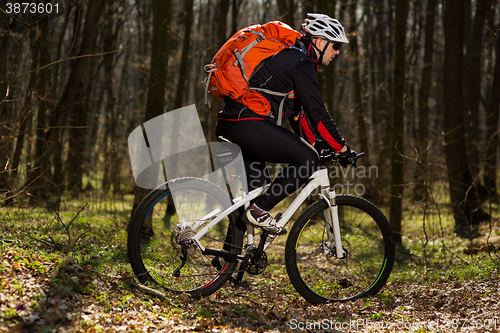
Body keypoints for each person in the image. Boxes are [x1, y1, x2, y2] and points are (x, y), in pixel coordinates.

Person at [215, 13, 357, 234]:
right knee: (308, 160)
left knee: (256, 192)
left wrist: (318, 144)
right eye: (335, 45)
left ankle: (229, 262)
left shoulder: (290, 57)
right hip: (249, 123)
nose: (337, 52)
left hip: (232, 122)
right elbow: (317, 113)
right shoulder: (303, 63)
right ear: (319, 41)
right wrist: (342, 148)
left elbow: (299, 114)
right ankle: (260, 210)